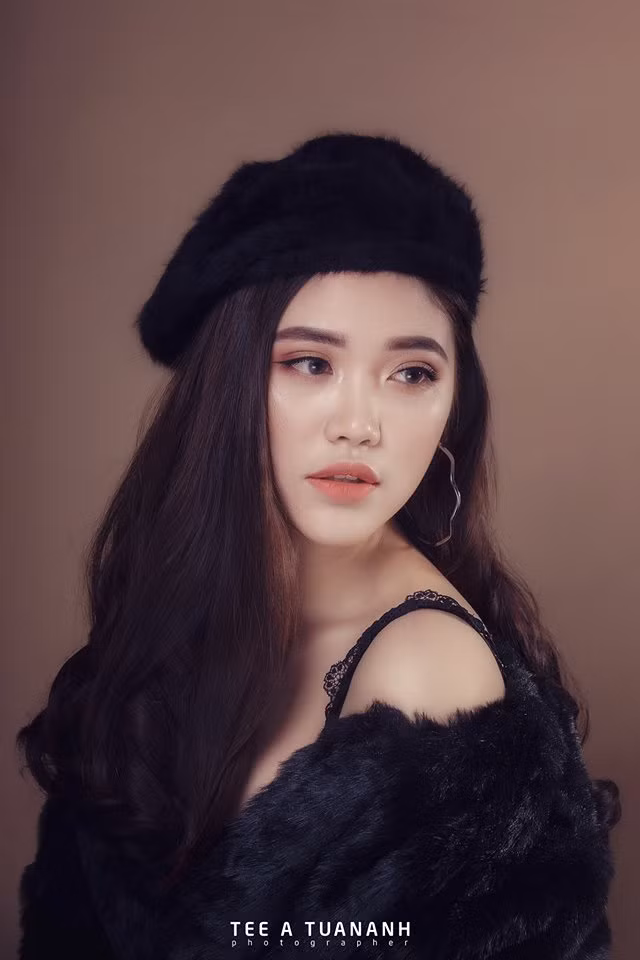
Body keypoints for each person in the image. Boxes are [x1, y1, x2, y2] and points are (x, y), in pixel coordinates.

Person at [16, 131, 620, 959]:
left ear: (454, 407)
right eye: (309, 363)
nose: (359, 424)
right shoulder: (179, 612)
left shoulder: (428, 673)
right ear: (228, 385)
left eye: (412, 374)